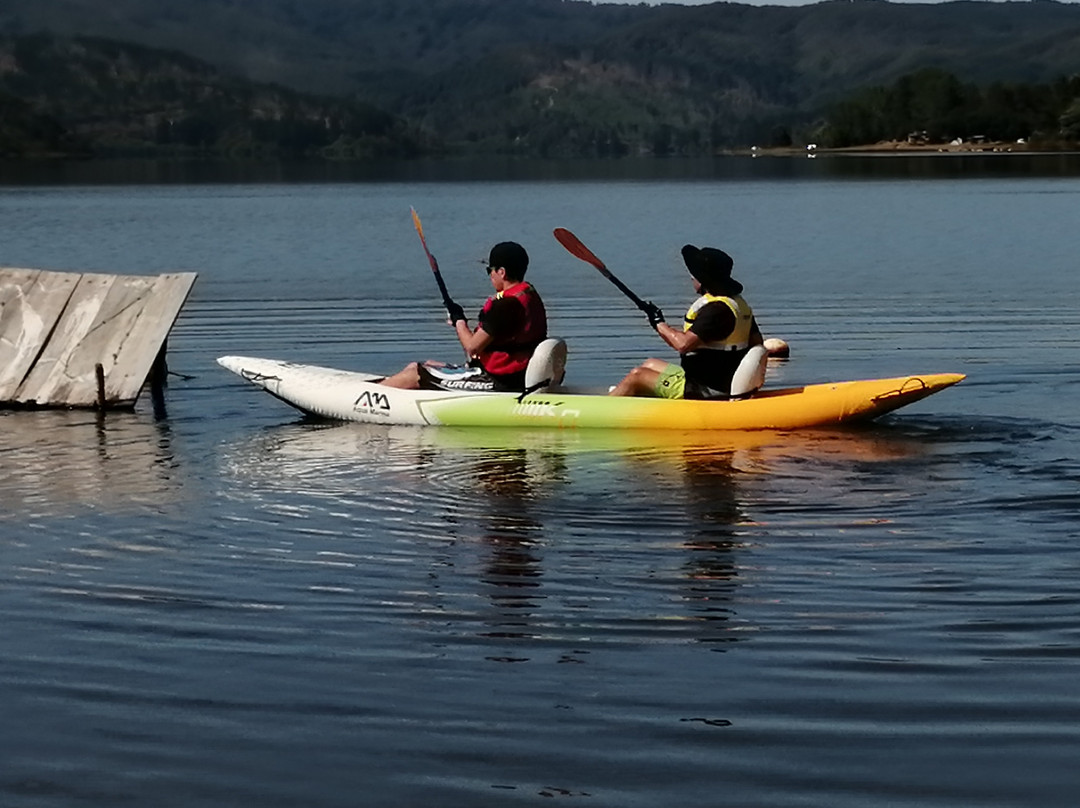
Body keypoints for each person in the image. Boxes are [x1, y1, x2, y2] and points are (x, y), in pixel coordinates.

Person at [380, 241, 547, 391]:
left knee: (416, 373)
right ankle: (383, 387)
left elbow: (472, 347)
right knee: (425, 365)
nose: (490, 275)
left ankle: (366, 398)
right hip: (519, 375)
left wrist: (459, 321)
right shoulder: (529, 295)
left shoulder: (504, 305)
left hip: (501, 381)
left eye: (490, 270)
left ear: (501, 272)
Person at [609, 244, 763, 399]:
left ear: (703, 280)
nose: (691, 277)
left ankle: (608, 407)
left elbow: (683, 344)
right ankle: (637, 400)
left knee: (637, 375)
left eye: (694, 275)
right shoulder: (737, 305)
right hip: (720, 380)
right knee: (650, 364)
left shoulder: (716, 310)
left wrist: (658, 322)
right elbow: (757, 343)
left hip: (705, 389)